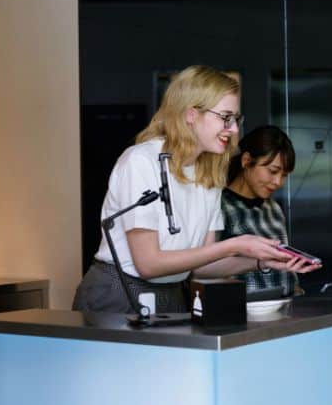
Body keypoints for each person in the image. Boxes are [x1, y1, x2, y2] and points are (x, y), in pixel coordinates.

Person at [73, 65, 294, 314]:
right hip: (118, 294)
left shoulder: (209, 173)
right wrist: (234, 245)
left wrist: (260, 261)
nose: (233, 129)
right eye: (225, 117)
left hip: (172, 295)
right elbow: (148, 264)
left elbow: (201, 266)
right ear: (191, 114)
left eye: (235, 119)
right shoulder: (140, 161)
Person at [198, 125, 320, 293]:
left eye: (284, 175)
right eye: (273, 171)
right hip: (245, 312)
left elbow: (284, 269)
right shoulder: (219, 206)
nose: (278, 182)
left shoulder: (273, 209)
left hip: (285, 308)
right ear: (246, 161)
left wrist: (295, 286)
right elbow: (201, 268)